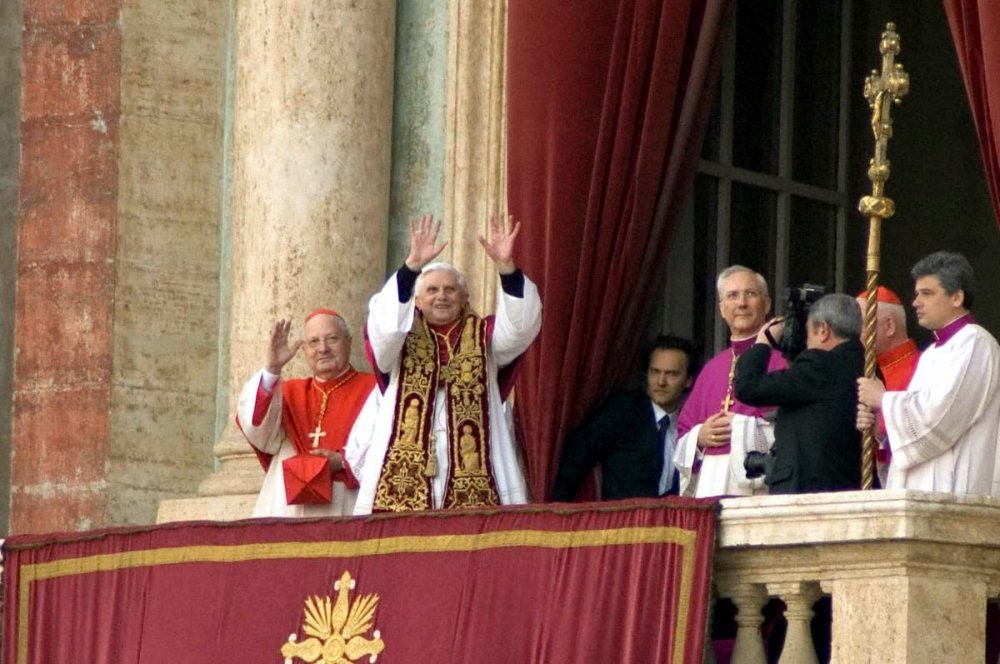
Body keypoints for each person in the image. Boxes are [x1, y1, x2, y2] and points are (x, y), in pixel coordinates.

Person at [349, 213, 543, 513]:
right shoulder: (400, 339)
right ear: (416, 301)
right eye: (432, 290)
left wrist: (507, 269)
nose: (442, 296)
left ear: (465, 298)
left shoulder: (486, 337)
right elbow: (383, 330)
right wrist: (411, 268)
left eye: (450, 290)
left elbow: (521, 328)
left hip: (476, 465)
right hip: (401, 472)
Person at [857, 251, 1000, 496]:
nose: (915, 302)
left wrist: (883, 399)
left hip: (956, 491)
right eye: (916, 294)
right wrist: (881, 430)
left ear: (957, 297)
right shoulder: (932, 352)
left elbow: (939, 416)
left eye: (927, 293)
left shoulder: (976, 343)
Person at [236, 309, 377, 517]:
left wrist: (343, 461)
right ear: (304, 350)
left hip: (347, 504)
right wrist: (272, 369)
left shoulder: (374, 389)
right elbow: (256, 429)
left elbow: (388, 448)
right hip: (288, 509)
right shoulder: (287, 393)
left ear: (349, 342)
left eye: (332, 339)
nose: (323, 349)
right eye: (313, 342)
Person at [673, 266, 787, 497]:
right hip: (710, 481)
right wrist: (700, 436)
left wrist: (741, 428)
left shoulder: (784, 362)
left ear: (767, 304)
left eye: (751, 294)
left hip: (759, 484)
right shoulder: (711, 369)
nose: (742, 303)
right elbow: (683, 432)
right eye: (732, 296)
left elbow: (792, 428)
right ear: (722, 309)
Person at [734, 294, 865, 493]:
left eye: (808, 334)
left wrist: (763, 342)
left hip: (806, 491)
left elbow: (748, 387)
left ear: (823, 330)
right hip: (847, 485)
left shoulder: (819, 365)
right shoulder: (866, 364)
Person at [551, 335, 698, 501]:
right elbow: (576, 457)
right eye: (655, 372)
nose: (661, 382)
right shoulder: (623, 410)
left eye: (671, 374)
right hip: (621, 523)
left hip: (672, 523)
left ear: (688, 380)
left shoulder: (693, 424)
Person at [855, 286, 920, 484]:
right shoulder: (870, 370)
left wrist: (882, 416)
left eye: (860, 326)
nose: (854, 336)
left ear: (889, 326)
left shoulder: (920, 369)